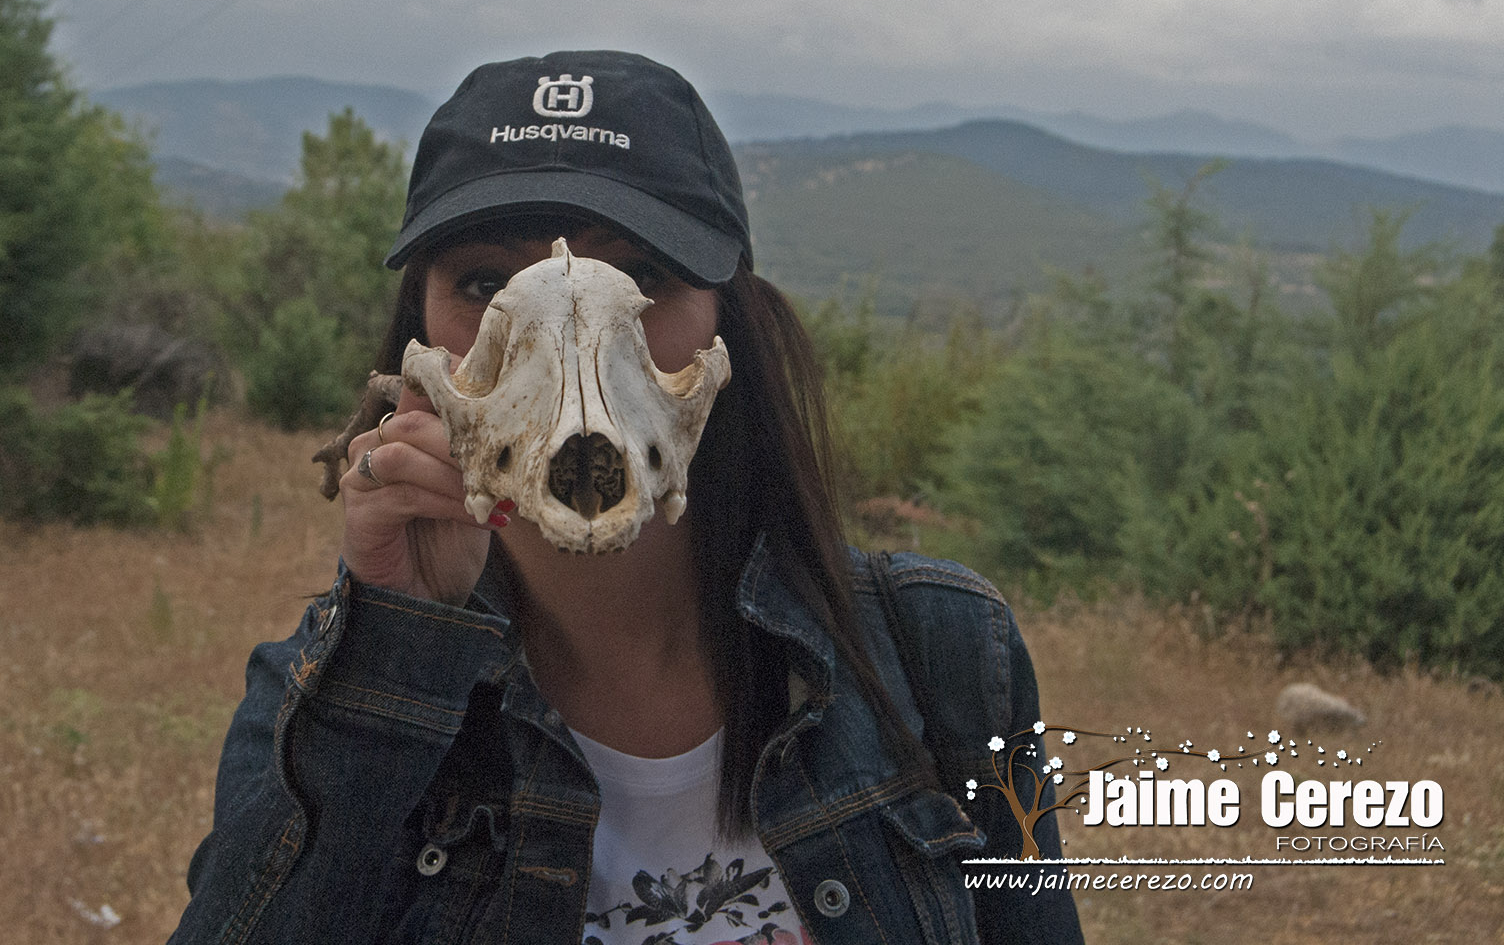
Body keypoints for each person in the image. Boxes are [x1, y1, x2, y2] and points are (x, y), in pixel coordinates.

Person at [167, 51, 1082, 944]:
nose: (573, 348)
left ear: (727, 331)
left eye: (641, 278)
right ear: (426, 350)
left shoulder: (944, 654)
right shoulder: (314, 696)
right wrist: (394, 649)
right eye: (485, 284)